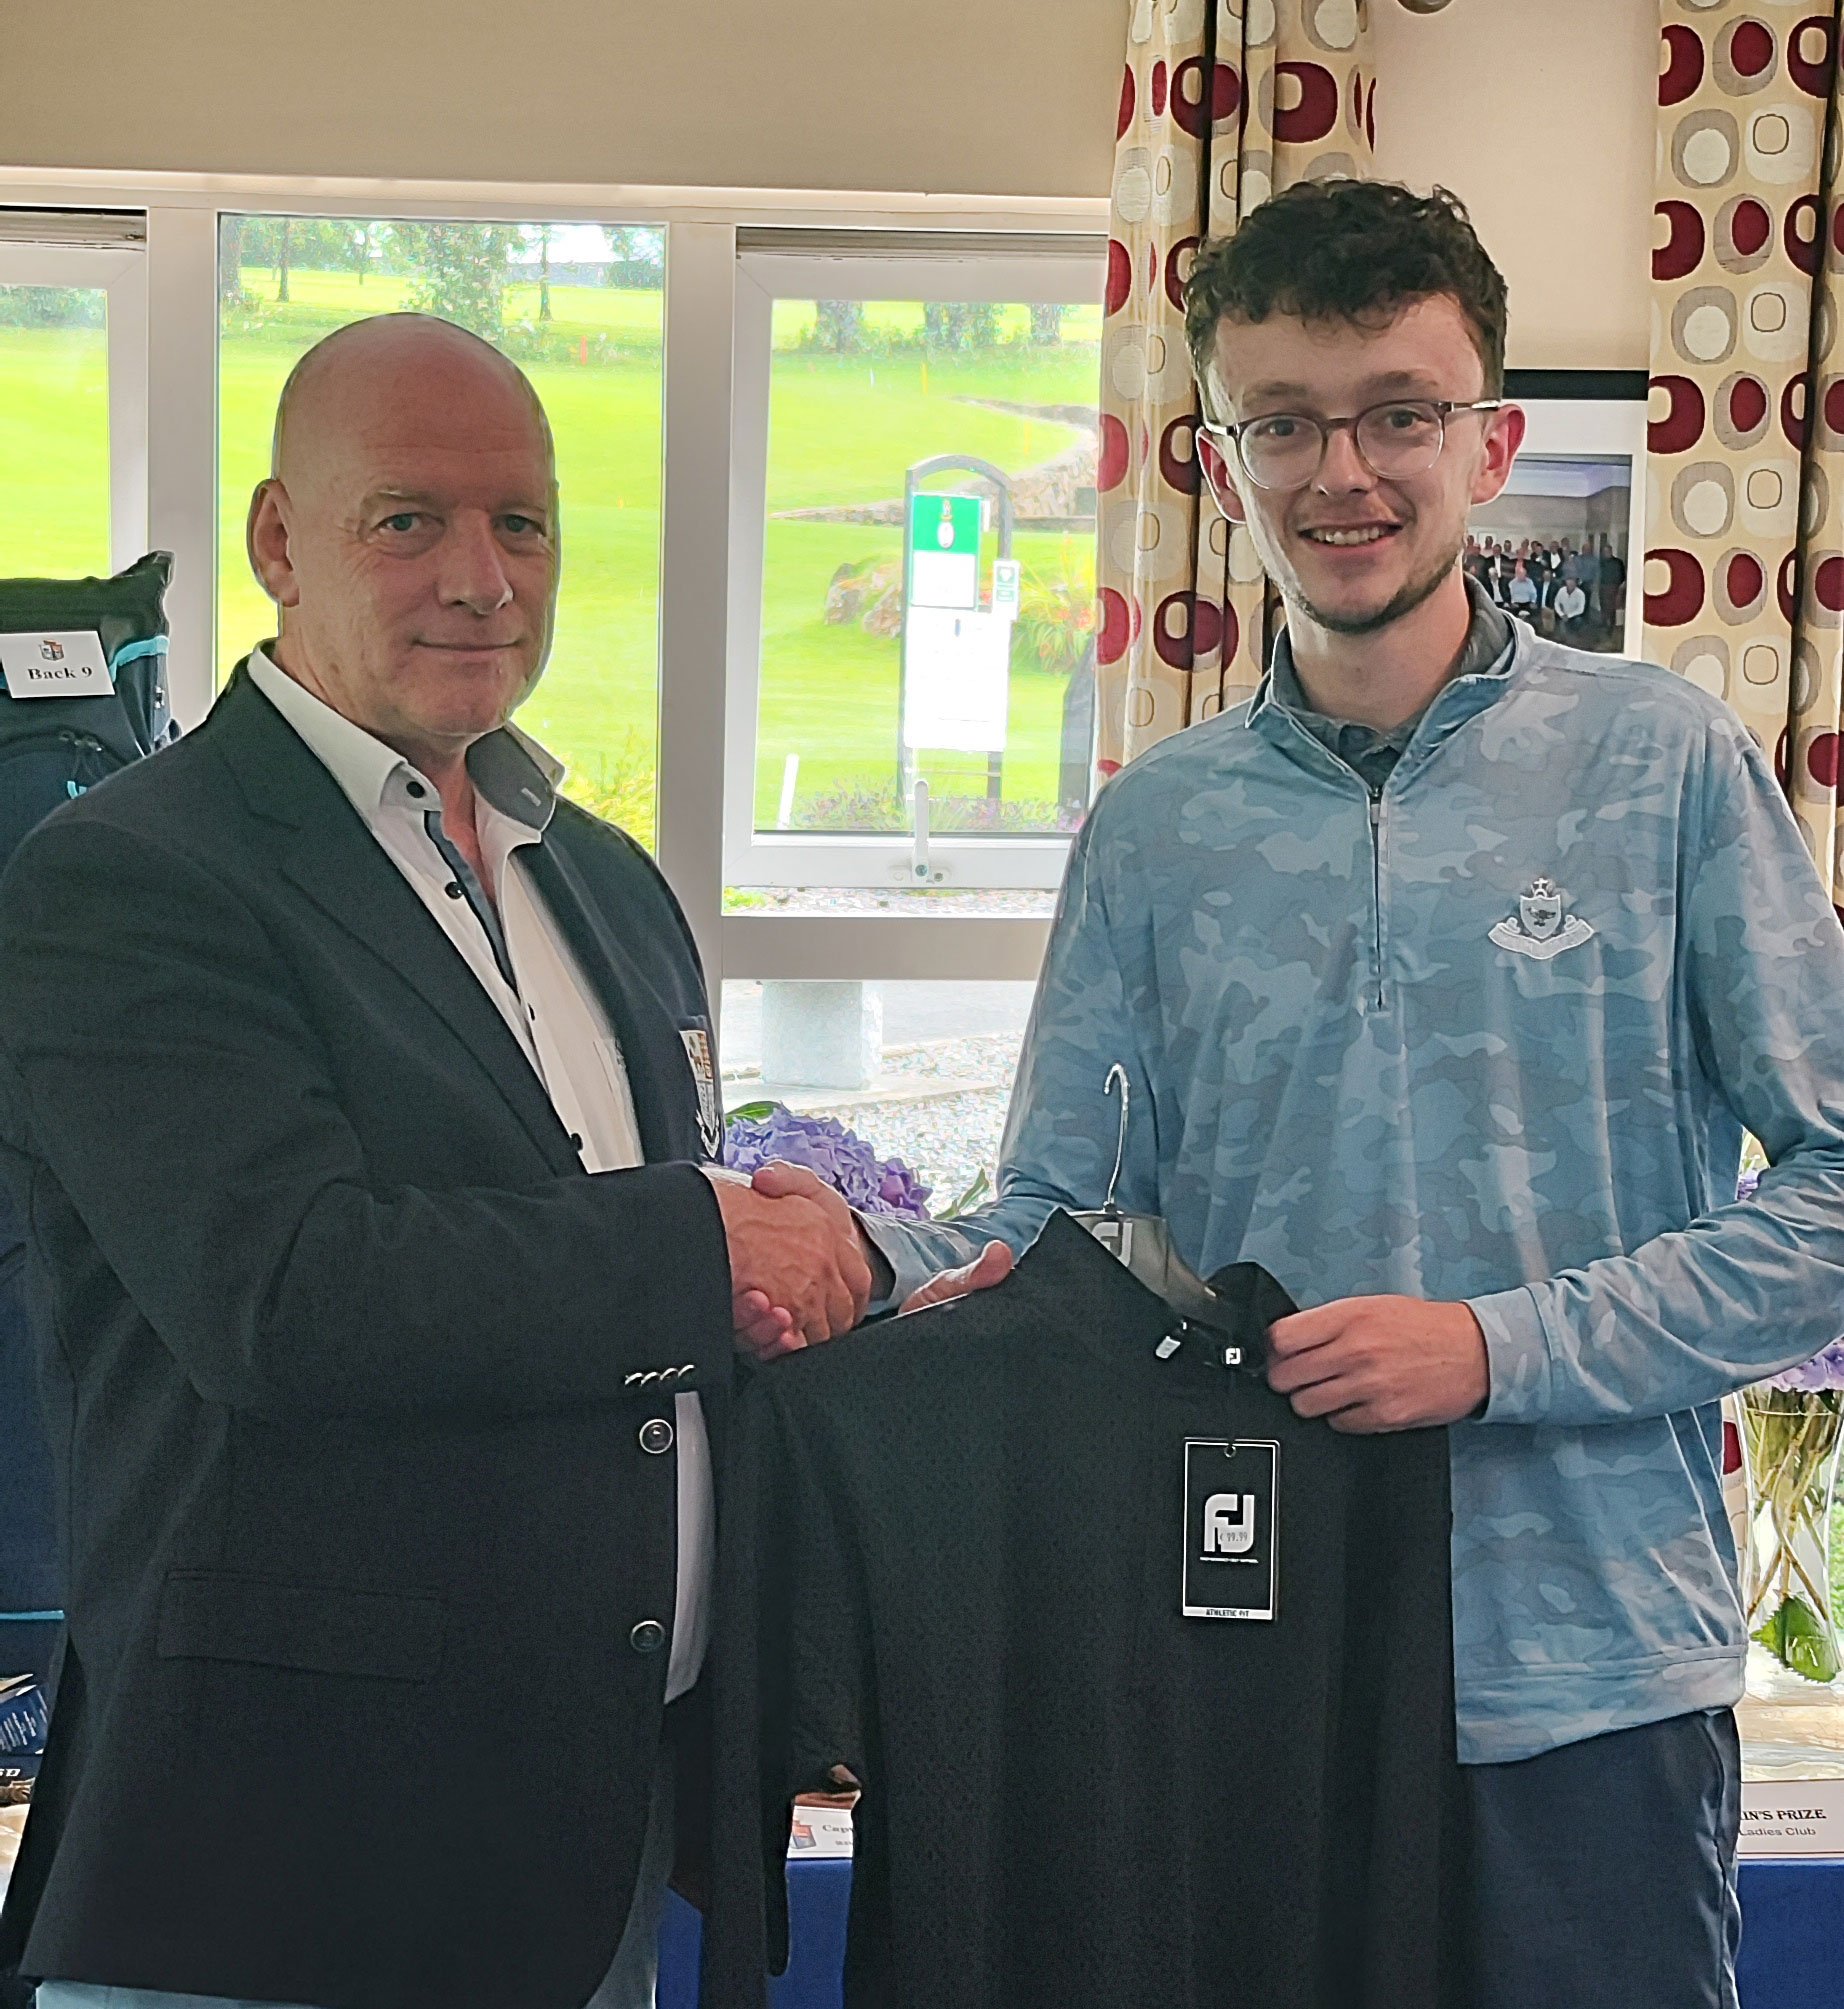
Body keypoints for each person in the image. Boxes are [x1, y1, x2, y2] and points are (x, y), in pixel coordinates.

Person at [864, 179, 1844, 2008]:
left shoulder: (1665, 765)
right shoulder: (1158, 827)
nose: (1347, 473)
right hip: (1250, 1668)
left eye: (1399, 412)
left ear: (1490, 440)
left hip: (1591, 1678)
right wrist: (839, 1253)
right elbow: (1049, 1217)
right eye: (1286, 423)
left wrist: (1502, 1347)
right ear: (1225, 460)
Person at [0, 314, 874, 2009]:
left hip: (590, 1861)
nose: (482, 576)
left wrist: (864, 1292)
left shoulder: (606, 885)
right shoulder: (131, 875)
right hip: (284, 1883)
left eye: (522, 522)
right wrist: (714, 1253)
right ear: (278, 543)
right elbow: (290, 1295)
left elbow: (630, 1315)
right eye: (408, 519)